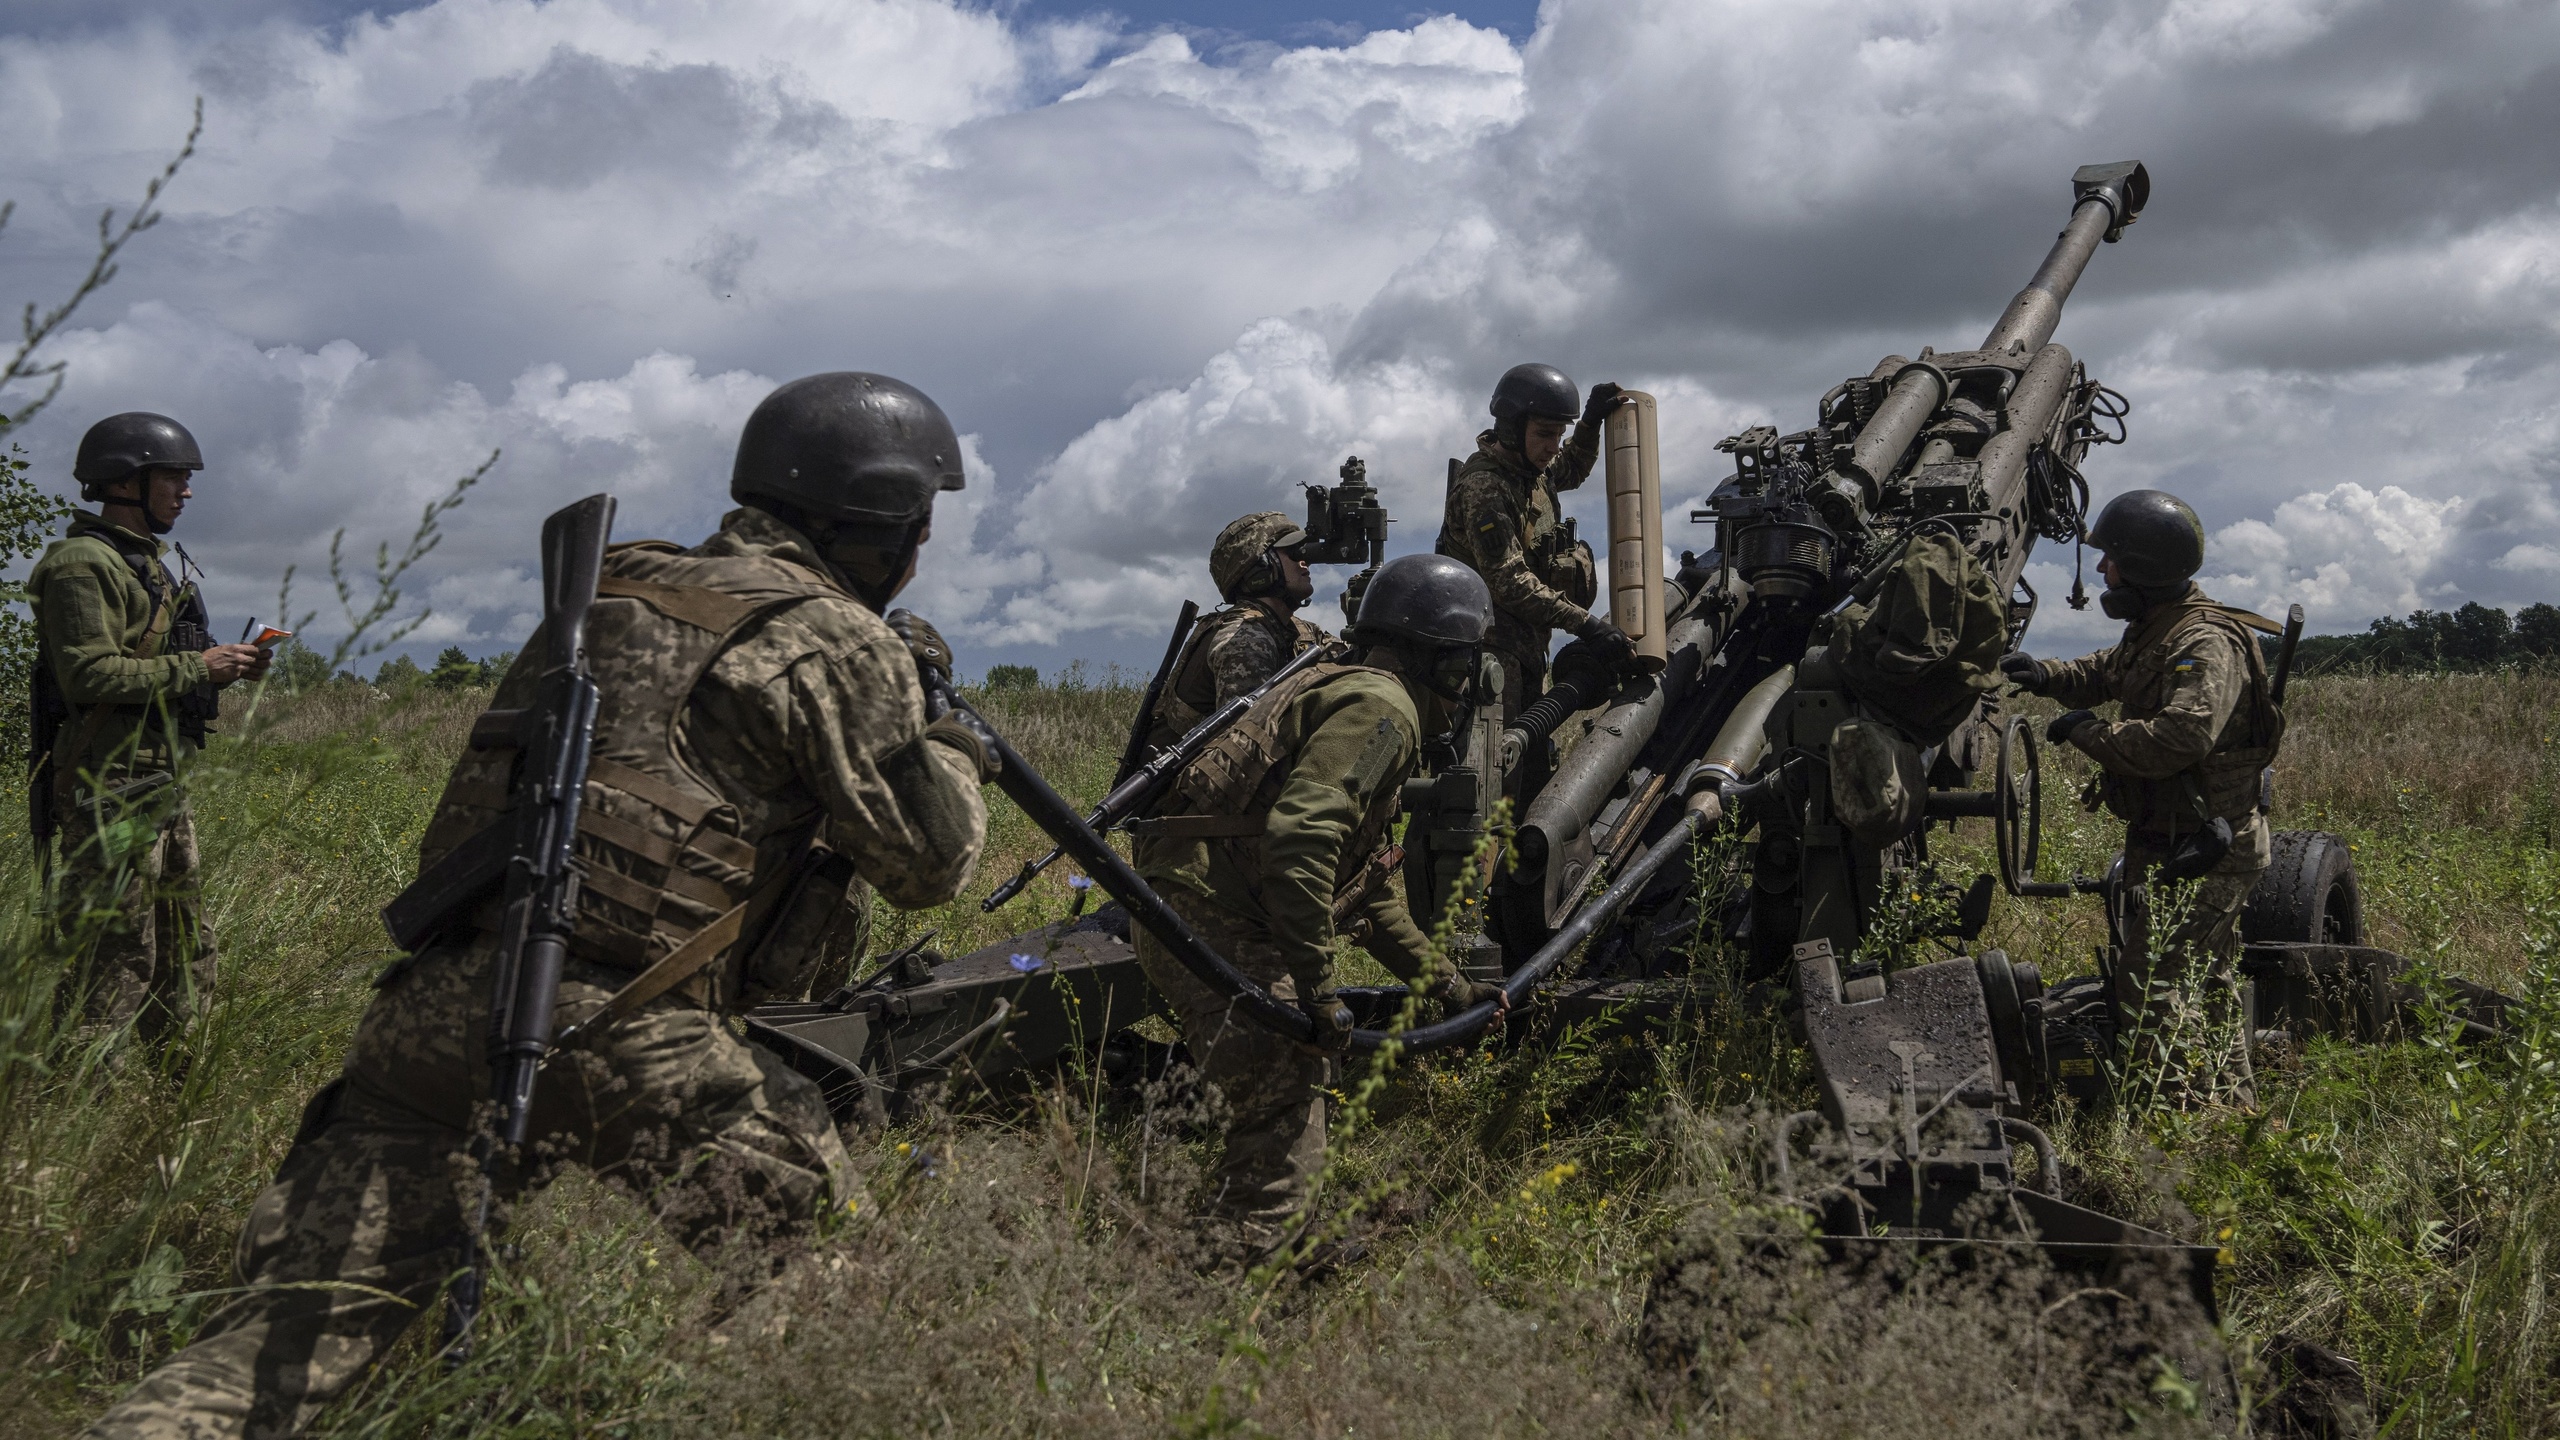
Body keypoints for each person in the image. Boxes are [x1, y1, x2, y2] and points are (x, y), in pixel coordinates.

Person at [88, 372, 998, 1439]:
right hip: (625, 1027)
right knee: (831, 1287)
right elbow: (928, 867)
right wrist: (952, 751)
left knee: (279, 1348)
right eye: (919, 531)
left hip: (428, 1014)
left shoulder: (610, 588)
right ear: (882, 524)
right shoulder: (835, 635)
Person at [1130, 553, 1508, 1269]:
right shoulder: (1384, 709)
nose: (1464, 691)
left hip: (1188, 904)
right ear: (1440, 660)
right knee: (1283, 1074)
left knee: (1283, 1085)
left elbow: (1366, 893)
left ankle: (1279, 1238)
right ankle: (1246, 1274)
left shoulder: (1344, 686)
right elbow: (1303, 836)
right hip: (1220, 918)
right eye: (1463, 669)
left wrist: (1451, 991)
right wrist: (1316, 989)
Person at [2000, 489, 2282, 1105]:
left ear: (2145, 567)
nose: (2102, 570)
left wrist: (2089, 732)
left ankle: (2170, 1118)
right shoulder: (2159, 628)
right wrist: (2046, 676)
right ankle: (2230, 1108)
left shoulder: (2205, 642)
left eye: (2112, 559)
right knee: (2206, 981)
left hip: (2208, 846)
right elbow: (2109, 670)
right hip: (2177, 839)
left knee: (2150, 980)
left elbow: (2179, 738)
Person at [28, 412, 271, 1049]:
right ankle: (78, 1108)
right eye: (174, 477)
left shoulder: (148, 565)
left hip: (158, 780)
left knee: (184, 946)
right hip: (110, 788)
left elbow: (149, 665)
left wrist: (224, 667)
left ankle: (174, 1092)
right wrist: (198, 665)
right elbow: (88, 675)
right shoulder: (84, 564)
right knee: (114, 950)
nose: (186, 491)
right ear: (126, 481)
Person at [1433, 364, 1636, 724]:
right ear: (1511, 428)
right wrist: (1586, 625)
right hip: (1487, 653)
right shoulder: (1485, 488)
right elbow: (1509, 582)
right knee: (1501, 767)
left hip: (1524, 649)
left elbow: (1571, 466)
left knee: (1532, 767)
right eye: (1545, 434)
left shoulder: (1530, 473)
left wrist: (1589, 423)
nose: (1553, 447)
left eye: (1559, 435)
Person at [1141, 511, 1329, 753]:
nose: (1305, 560)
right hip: (1196, 785)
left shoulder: (1294, 631)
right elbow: (1245, 749)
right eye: (1293, 552)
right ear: (1260, 568)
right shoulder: (1245, 639)